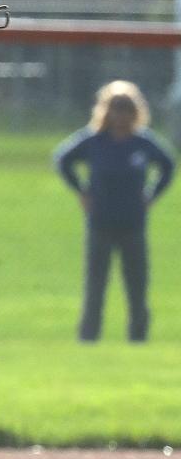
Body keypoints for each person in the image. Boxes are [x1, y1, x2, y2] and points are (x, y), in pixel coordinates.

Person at [53, 80, 175, 342]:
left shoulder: (142, 143)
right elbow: (62, 159)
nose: (121, 115)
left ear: (136, 111)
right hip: (101, 221)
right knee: (96, 283)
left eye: (126, 108)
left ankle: (138, 337)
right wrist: (81, 191)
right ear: (106, 110)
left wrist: (152, 195)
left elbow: (168, 165)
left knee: (137, 283)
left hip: (133, 221)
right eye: (116, 108)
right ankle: (89, 336)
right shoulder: (95, 141)